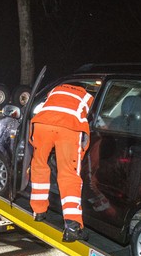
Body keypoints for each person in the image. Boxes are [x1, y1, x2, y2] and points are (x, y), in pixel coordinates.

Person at [29, 84, 93, 242]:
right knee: (69, 175)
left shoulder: (56, 88)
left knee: (39, 166)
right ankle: (72, 226)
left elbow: (43, 105)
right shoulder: (87, 96)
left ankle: (38, 212)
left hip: (43, 123)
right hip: (69, 127)